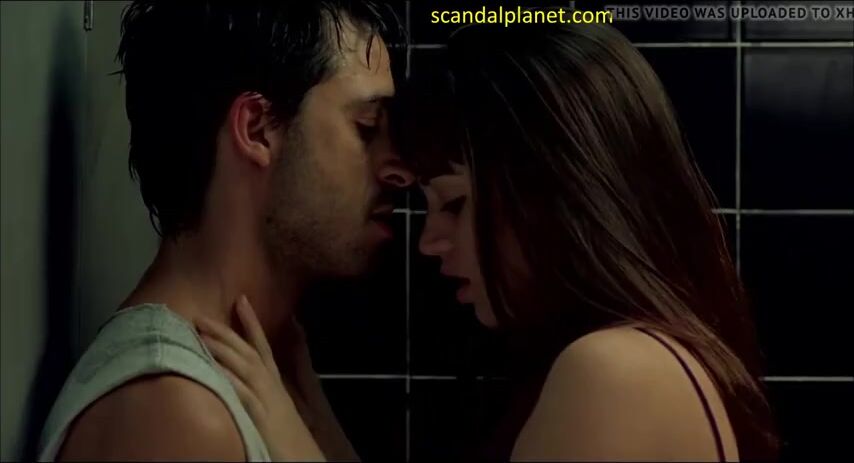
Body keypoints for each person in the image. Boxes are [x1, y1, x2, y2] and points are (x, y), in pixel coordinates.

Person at [201, 18, 780, 462]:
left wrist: (288, 438)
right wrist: (310, 412)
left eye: (454, 203)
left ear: (555, 195)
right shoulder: (645, 358)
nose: (428, 243)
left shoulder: (615, 372)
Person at [37, 1, 413, 461]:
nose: (399, 170)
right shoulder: (173, 414)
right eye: (367, 128)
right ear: (256, 129)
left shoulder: (273, 373)